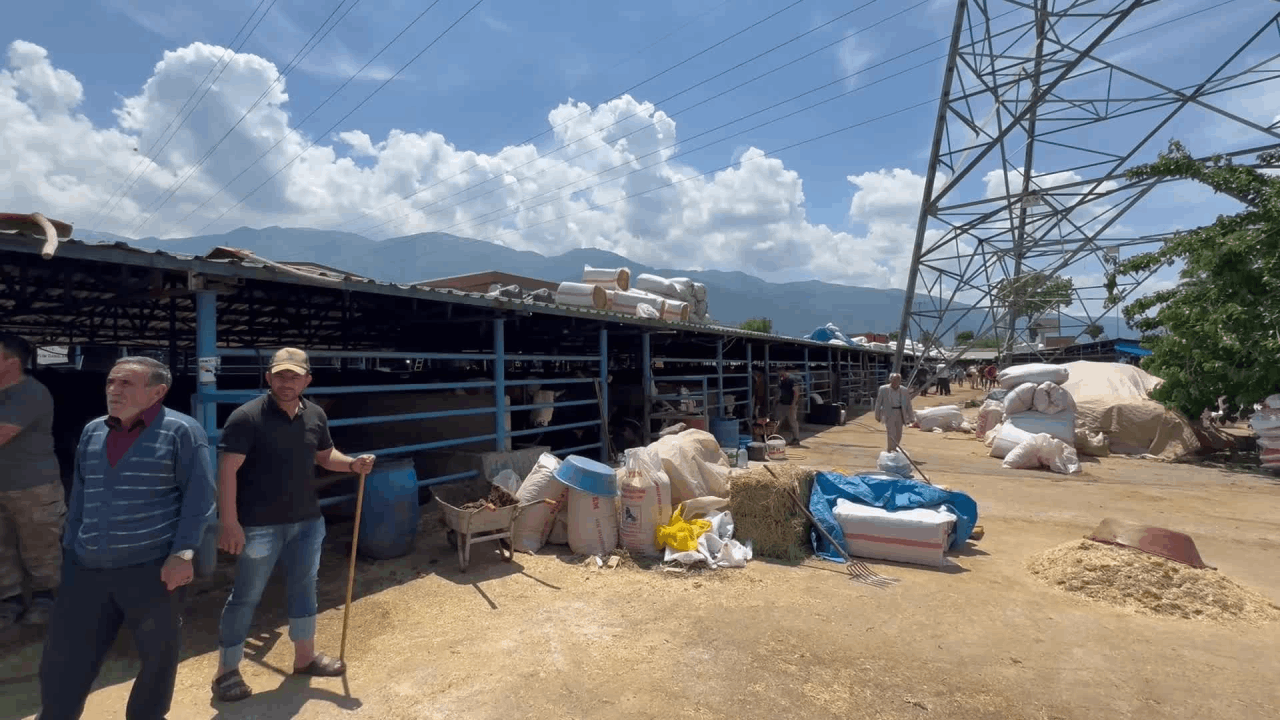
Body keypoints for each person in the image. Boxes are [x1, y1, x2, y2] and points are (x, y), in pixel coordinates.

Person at [38, 356, 216, 720]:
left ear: (157, 392)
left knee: (157, 655)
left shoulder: (181, 431)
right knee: (64, 655)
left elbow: (199, 497)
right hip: (87, 567)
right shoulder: (93, 431)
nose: (113, 390)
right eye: (111, 382)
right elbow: (80, 496)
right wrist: (70, 550)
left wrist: (182, 554)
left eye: (126, 384)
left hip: (151, 568)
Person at [212, 348, 376, 703]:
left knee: (304, 587)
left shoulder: (315, 415)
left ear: (307, 381)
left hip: (307, 521)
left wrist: (352, 464)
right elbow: (226, 470)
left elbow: (325, 457)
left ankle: (305, 658)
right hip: (258, 524)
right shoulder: (246, 417)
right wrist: (228, 521)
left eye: (295, 377)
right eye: (280, 376)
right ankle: (226, 671)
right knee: (246, 596)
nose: (287, 383)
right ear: (268, 378)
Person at [0, 333, 65, 629]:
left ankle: (45, 598)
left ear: (11, 363)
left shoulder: (30, 393)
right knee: (2, 548)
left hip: (32, 487)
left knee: (40, 546)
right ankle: (9, 600)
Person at [874, 373, 916, 453]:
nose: (895, 382)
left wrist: (911, 417)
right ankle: (890, 449)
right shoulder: (883, 389)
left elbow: (908, 405)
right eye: (893, 380)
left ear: (900, 381)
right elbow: (878, 403)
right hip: (889, 413)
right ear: (890, 380)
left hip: (900, 412)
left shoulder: (904, 390)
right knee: (891, 432)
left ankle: (895, 447)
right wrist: (877, 415)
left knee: (899, 433)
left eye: (897, 380)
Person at [775, 368, 802, 446]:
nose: (779, 373)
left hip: (790, 404)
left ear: (784, 371)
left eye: (780, 372)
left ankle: (796, 439)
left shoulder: (792, 379)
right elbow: (779, 391)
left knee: (792, 421)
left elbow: (796, 392)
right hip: (782, 403)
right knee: (777, 420)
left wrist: (793, 404)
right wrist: (776, 400)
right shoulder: (782, 380)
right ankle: (774, 437)